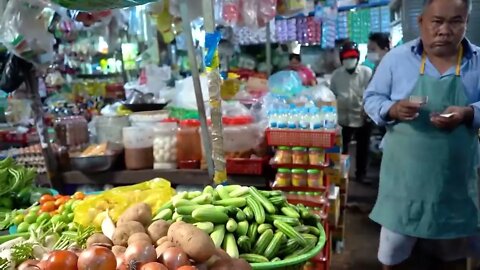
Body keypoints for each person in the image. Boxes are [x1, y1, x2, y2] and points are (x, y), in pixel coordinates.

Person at [363, 0, 479, 269]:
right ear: (421, 22)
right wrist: (392, 109)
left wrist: (468, 113)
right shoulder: (397, 59)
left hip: (456, 185)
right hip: (404, 184)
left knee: (455, 257)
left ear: (466, 22)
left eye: (455, 21)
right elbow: (371, 98)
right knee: (394, 257)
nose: (445, 30)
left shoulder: (478, 61)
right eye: (437, 21)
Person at [330, 42, 373, 183]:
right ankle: (342, 175)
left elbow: (373, 94)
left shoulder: (366, 73)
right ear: (342, 58)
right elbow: (332, 95)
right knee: (342, 149)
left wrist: (369, 112)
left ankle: (361, 174)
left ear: (358, 57)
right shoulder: (336, 75)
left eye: (352, 57)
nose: (349, 60)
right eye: (346, 57)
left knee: (362, 149)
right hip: (343, 118)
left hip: (362, 116)